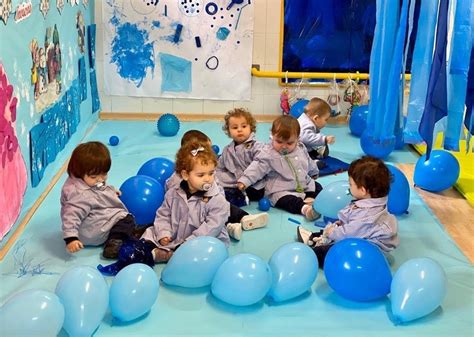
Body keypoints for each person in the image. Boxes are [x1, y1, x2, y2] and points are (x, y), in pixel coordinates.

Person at [165, 130, 268, 241]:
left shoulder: (208, 174)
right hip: (196, 217)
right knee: (212, 218)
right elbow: (172, 194)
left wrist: (219, 199)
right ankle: (231, 226)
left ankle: (244, 217)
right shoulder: (177, 179)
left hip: (213, 211)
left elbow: (217, 188)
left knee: (223, 208)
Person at [297, 156, 399, 267]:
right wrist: (341, 224)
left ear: (363, 190)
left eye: (351, 184)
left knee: (327, 252)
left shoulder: (366, 216)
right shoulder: (375, 202)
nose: (348, 187)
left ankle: (312, 253)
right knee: (336, 228)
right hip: (361, 239)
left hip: (364, 254)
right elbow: (355, 226)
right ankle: (314, 237)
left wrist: (333, 233)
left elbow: (348, 234)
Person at [141, 142, 230, 263]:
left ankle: (172, 255)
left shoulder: (217, 200)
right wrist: (164, 233)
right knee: (149, 232)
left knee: (206, 252)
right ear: (185, 175)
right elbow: (163, 215)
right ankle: (159, 252)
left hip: (202, 239)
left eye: (211, 173)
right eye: (201, 175)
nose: (208, 178)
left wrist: (190, 242)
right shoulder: (173, 193)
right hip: (176, 236)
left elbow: (211, 227)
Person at [237, 115, 322, 221]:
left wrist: (314, 171)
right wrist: (245, 180)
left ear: (298, 139)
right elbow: (257, 167)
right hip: (281, 189)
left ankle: (310, 199)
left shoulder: (301, 147)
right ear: (272, 136)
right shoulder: (268, 153)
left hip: (303, 183)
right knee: (288, 201)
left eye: (290, 143)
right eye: (279, 142)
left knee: (317, 187)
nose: (284, 146)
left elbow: (308, 161)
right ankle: (305, 209)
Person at [61, 141, 136, 259]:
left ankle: (123, 234)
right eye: (94, 177)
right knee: (126, 219)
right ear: (80, 172)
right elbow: (71, 215)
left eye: (104, 174)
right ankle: (114, 242)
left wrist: (109, 191)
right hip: (94, 231)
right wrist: (71, 238)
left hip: (89, 226)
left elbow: (96, 189)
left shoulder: (79, 180)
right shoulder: (80, 195)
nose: (100, 179)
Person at [216, 108, 265, 207]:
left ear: (251, 128)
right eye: (234, 127)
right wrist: (213, 178)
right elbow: (220, 167)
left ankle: (241, 199)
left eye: (244, 126)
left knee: (234, 195)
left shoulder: (257, 146)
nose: (239, 130)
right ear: (229, 132)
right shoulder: (227, 150)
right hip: (236, 182)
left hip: (254, 185)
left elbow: (259, 165)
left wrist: (245, 180)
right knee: (216, 181)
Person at [298, 97, 336, 162]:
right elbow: (307, 138)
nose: (326, 122)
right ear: (316, 118)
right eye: (326, 120)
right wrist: (324, 139)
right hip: (297, 151)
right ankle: (314, 163)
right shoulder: (307, 124)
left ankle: (314, 154)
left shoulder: (304, 118)